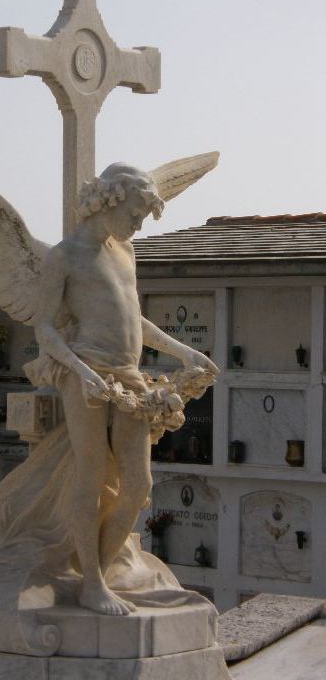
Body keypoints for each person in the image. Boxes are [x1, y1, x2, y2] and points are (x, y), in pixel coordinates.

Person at [26, 163, 218, 615]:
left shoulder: (125, 251)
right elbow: (44, 329)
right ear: (109, 200)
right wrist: (80, 371)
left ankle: (100, 572)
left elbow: (133, 319)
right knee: (91, 474)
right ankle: (92, 585)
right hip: (86, 373)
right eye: (133, 215)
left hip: (130, 378)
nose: (137, 225)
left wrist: (183, 351)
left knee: (138, 484)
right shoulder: (65, 256)